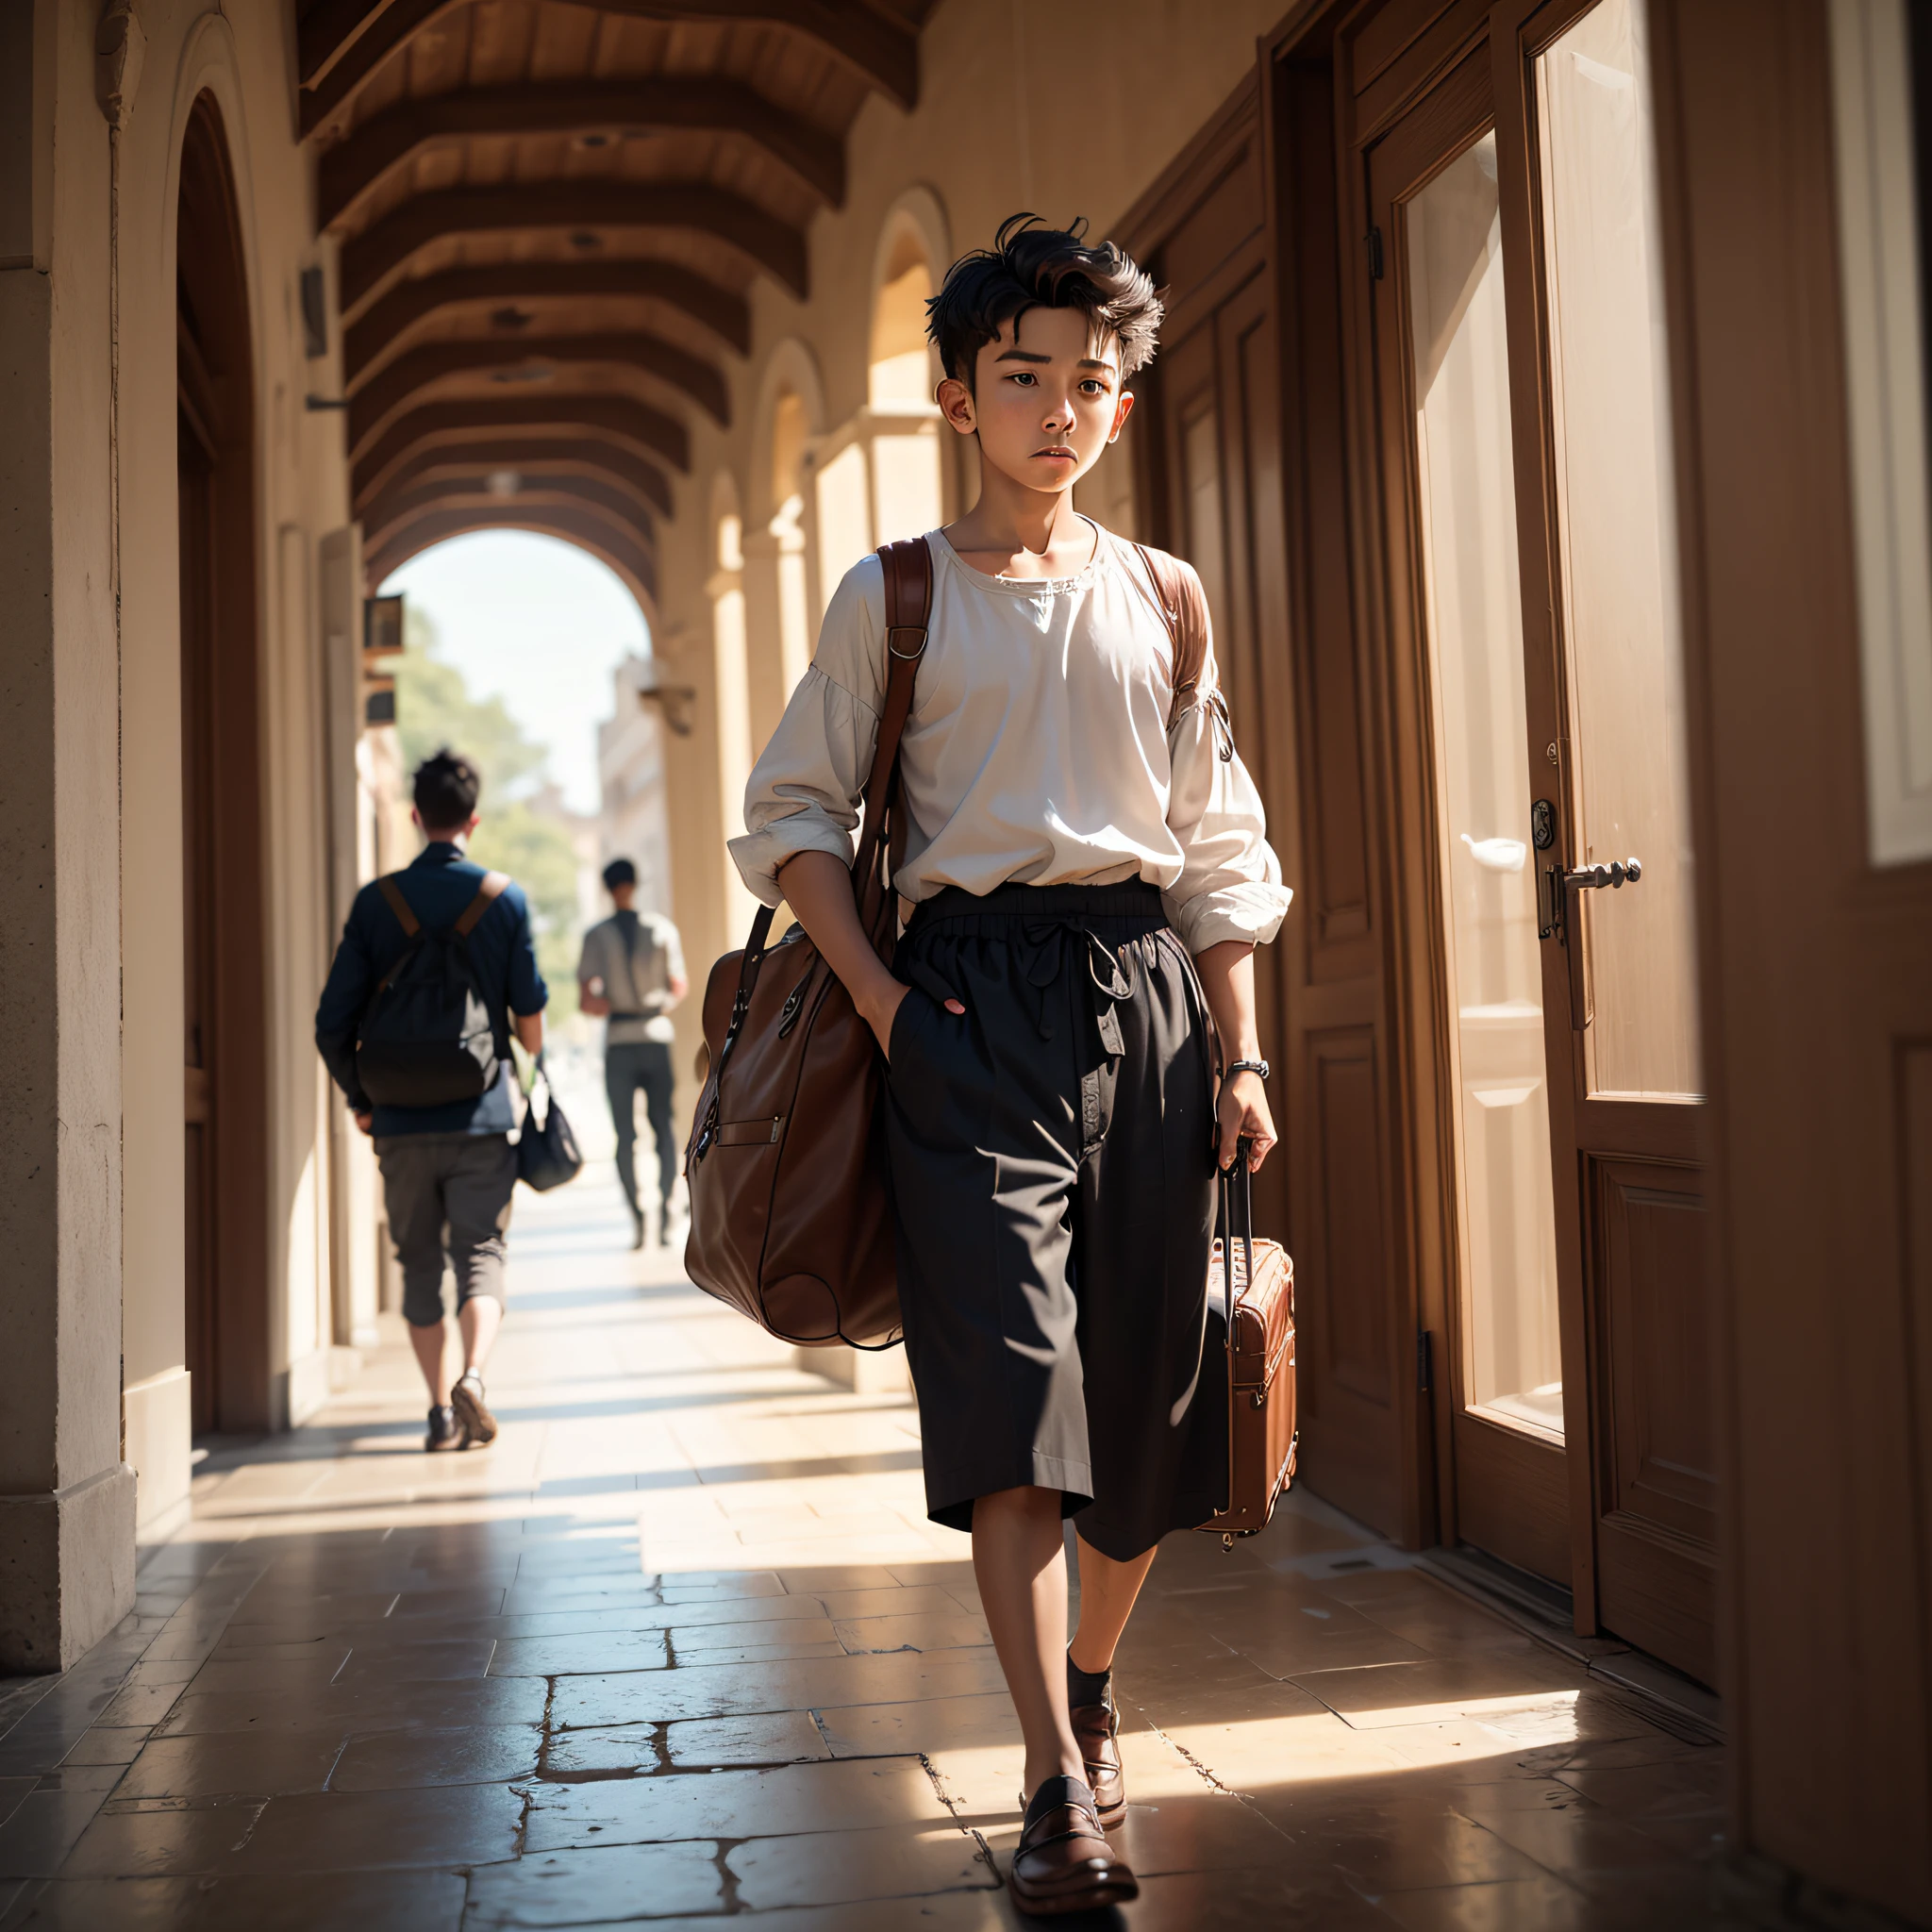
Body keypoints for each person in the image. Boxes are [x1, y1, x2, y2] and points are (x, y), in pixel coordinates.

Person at [729, 216, 1290, 1915]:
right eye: (1024, 376)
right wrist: (894, 1008)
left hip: (1144, 999)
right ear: (961, 396)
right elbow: (794, 822)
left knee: (1141, 1407)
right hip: (962, 1004)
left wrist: (1240, 1055)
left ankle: (1094, 1689)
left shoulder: (1166, 598)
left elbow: (1215, 848)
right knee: (1011, 1402)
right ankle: (1053, 1774)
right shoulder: (890, 596)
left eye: (1090, 382)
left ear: (1119, 405)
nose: (1060, 408)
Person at [315, 749, 548, 1453]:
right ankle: (474, 1376)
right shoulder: (503, 898)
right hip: (481, 1117)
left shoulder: (375, 903)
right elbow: (530, 1023)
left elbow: (332, 1024)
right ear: (472, 819)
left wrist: (362, 1100)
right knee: (480, 1252)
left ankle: (435, 1410)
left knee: (417, 1261)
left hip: (399, 1122)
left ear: (416, 817)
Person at [578, 859, 687, 1248]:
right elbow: (679, 985)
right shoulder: (657, 929)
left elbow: (585, 997)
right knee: (646, 1132)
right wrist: (656, 1004)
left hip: (632, 1037)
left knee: (642, 1133)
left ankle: (655, 1217)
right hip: (642, 1035)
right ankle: (650, 1217)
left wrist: (612, 1004)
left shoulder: (612, 933)